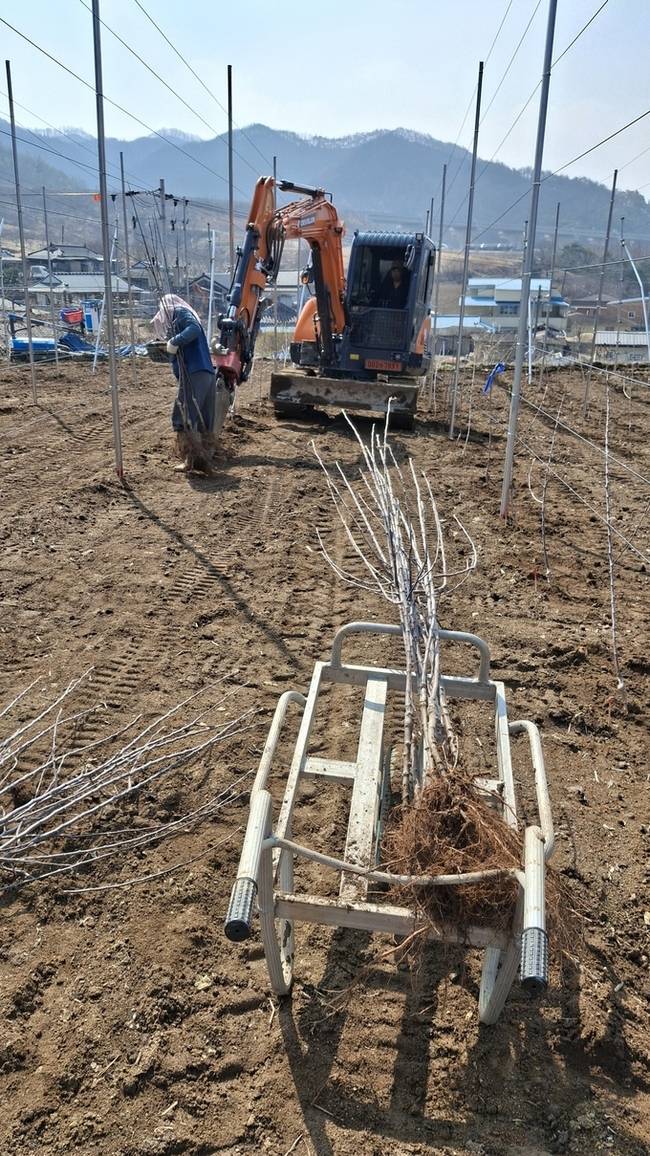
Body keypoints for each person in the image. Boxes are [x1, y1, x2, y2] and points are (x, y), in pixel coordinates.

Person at [151, 293, 217, 474]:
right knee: (203, 418)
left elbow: (193, 329)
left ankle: (191, 460)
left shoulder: (180, 313)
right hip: (207, 373)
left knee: (183, 416)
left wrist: (174, 341)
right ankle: (205, 458)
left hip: (195, 373)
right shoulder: (183, 315)